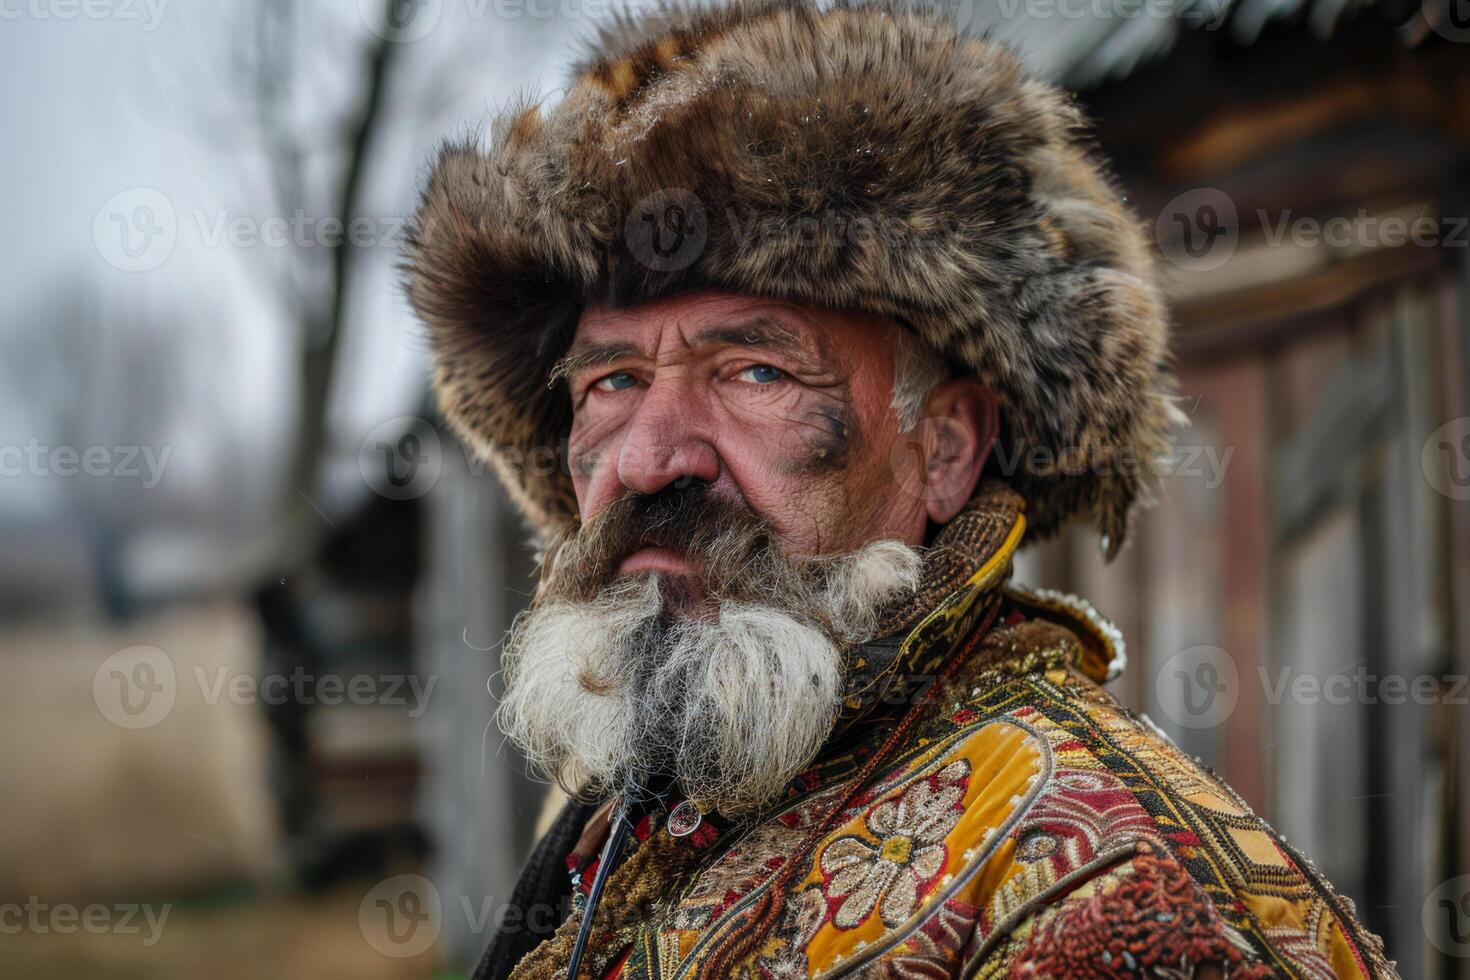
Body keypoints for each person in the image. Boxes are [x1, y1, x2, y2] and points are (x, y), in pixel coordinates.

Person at [405, 1, 1396, 975]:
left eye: (757, 371)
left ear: (947, 445)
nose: (648, 456)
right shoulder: (620, 802)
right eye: (612, 381)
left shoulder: (1107, 879)